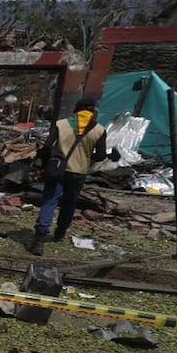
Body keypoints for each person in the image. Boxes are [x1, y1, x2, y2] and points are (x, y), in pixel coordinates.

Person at [28, 95, 119, 255]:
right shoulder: (99, 130)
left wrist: (41, 164)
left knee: (50, 201)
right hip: (78, 172)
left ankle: (39, 240)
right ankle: (60, 232)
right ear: (92, 111)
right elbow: (100, 156)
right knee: (69, 204)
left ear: (77, 109)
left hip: (58, 170)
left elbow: (47, 147)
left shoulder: (60, 124)